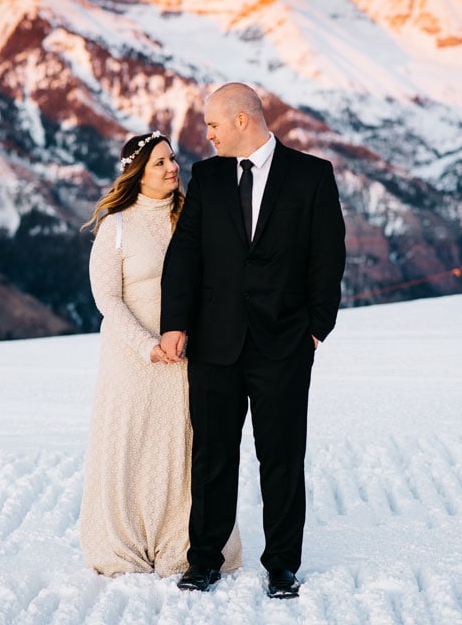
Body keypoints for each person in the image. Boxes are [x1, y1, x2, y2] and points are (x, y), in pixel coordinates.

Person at [160, 83, 346, 597]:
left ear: (242, 121)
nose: (208, 134)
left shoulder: (312, 175)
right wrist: (175, 323)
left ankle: (282, 565)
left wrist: (315, 329)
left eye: (213, 125)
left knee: (282, 458)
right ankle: (204, 561)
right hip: (214, 345)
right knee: (212, 457)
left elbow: (328, 257)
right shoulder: (208, 176)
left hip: (285, 344)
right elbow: (185, 254)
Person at [79, 131, 242, 578]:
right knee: (132, 445)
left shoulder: (190, 215)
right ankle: (126, 542)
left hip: (188, 352)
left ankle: (184, 542)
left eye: (172, 159)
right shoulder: (116, 227)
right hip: (134, 356)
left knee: (184, 446)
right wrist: (146, 346)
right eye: (160, 163)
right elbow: (108, 300)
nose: (173, 168)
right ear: (137, 173)